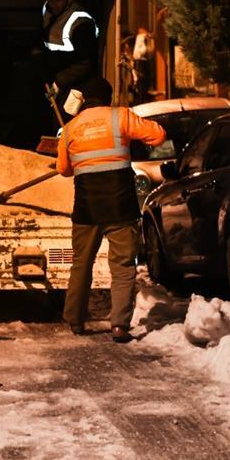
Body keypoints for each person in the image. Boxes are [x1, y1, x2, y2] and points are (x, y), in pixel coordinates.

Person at [56, 77, 166, 342]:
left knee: (81, 264)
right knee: (123, 265)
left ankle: (76, 321)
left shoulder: (71, 128)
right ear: (109, 97)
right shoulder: (121, 117)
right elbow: (158, 135)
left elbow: (63, 170)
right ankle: (119, 325)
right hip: (120, 205)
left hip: (86, 209)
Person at [39, 0, 98, 107]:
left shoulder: (80, 22)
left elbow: (86, 61)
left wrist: (60, 82)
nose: (53, 4)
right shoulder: (47, 10)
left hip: (74, 86)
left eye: (58, 0)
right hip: (51, 80)